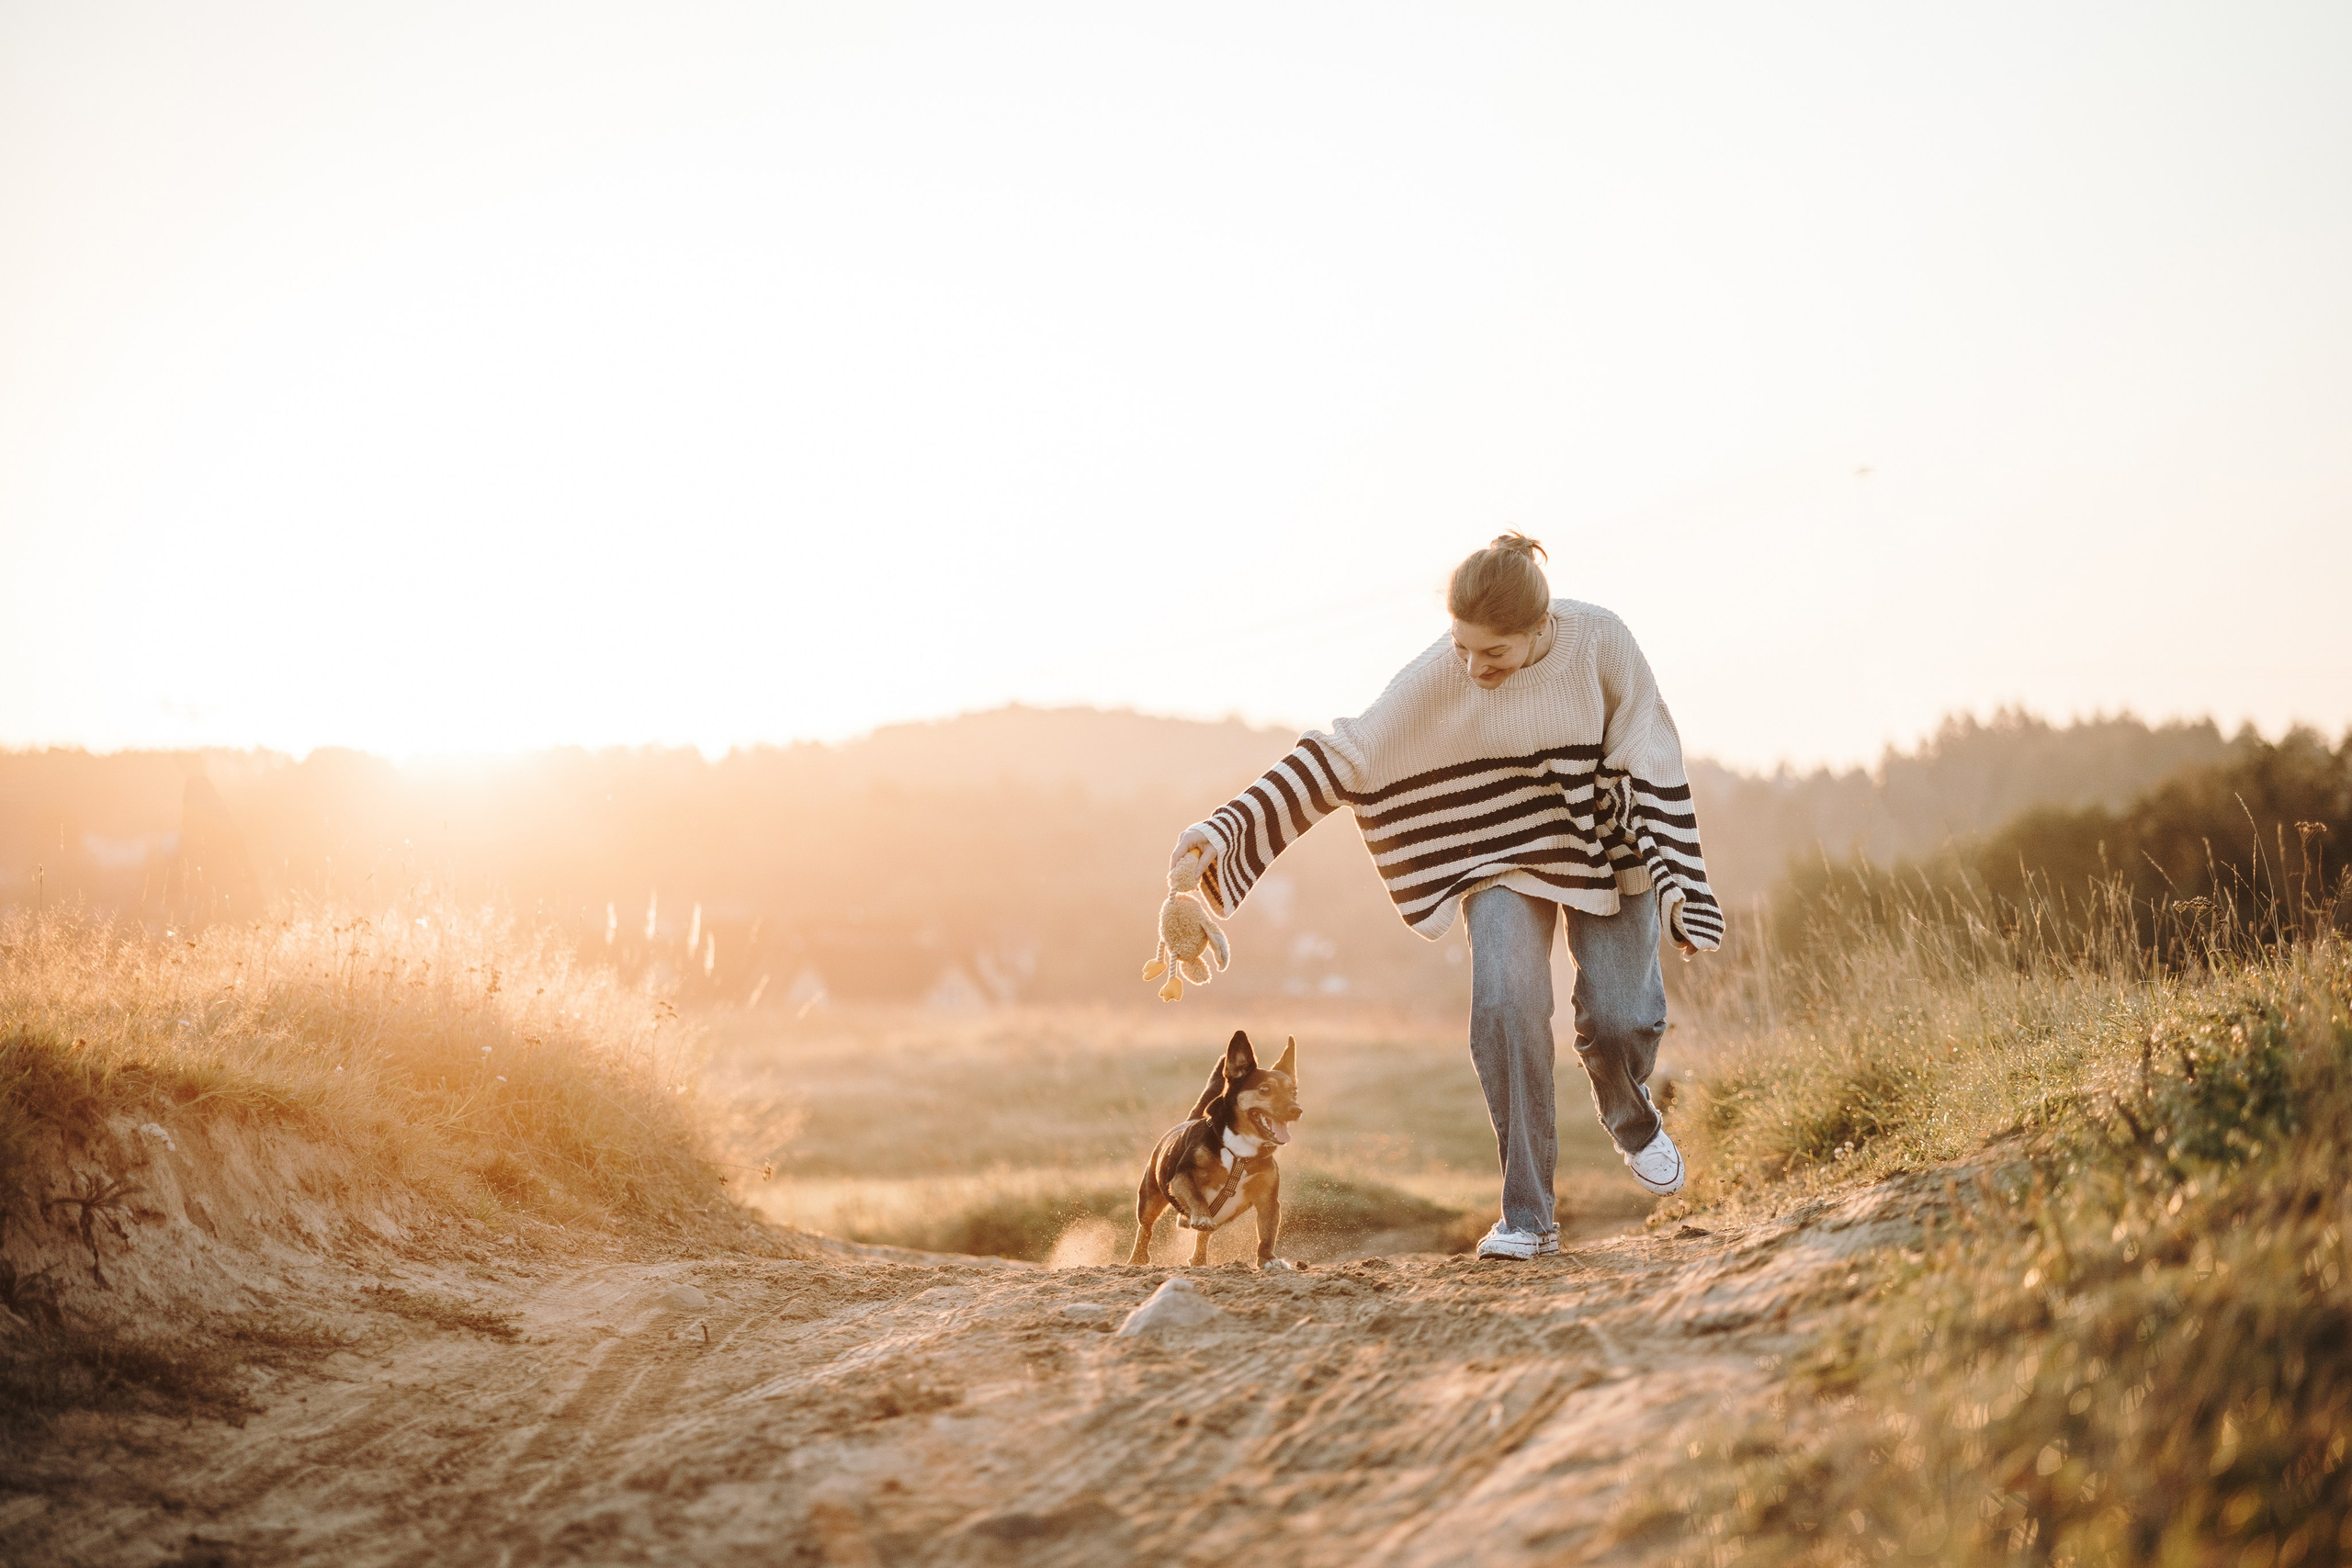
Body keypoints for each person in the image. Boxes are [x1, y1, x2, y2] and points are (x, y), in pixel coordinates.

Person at [1168, 534, 1723, 1260]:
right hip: (1498, 857)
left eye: (1492, 652)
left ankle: (1629, 1113)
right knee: (1504, 1003)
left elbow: (1651, 755)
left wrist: (1680, 881)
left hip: (1608, 850)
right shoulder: (1444, 670)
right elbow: (1348, 751)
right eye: (1461, 646)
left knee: (1619, 1020)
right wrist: (1227, 827)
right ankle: (1528, 1214)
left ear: (1539, 626)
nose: (1472, 666)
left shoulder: (1601, 644)